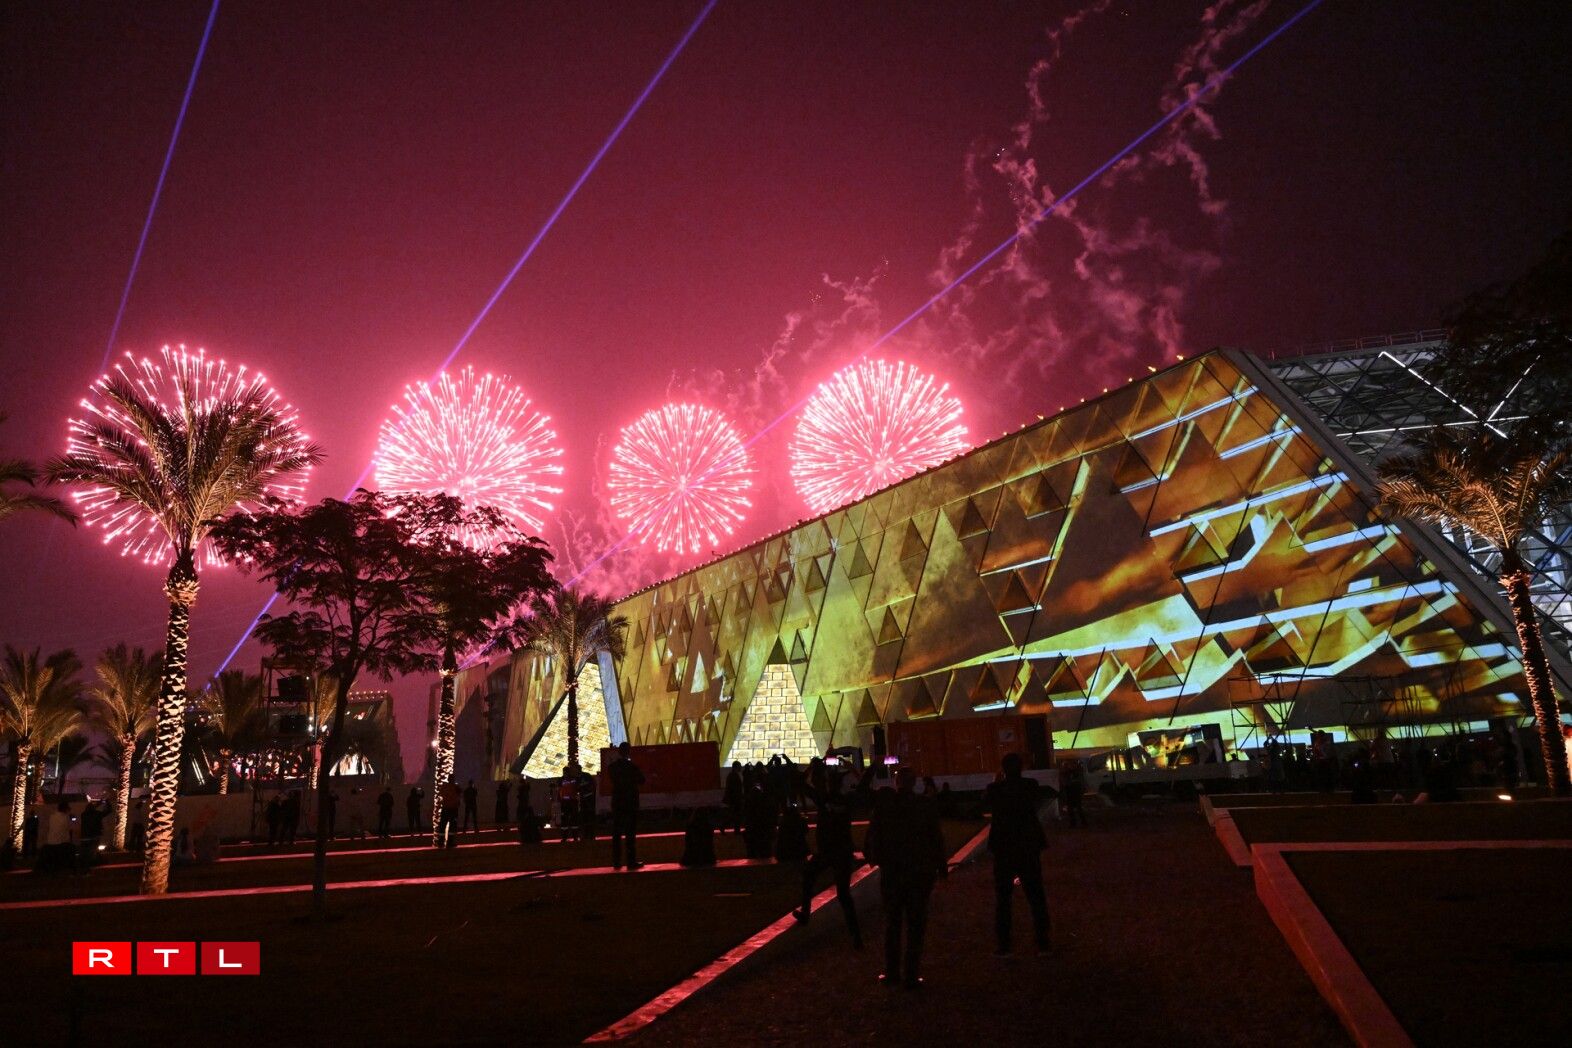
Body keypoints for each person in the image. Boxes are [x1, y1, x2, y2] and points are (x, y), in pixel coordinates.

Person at [864, 767, 946, 988]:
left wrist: (874, 856)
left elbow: (874, 833)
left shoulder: (885, 805)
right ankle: (911, 973)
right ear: (914, 782)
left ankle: (892, 972)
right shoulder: (925, 805)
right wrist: (941, 866)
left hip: (893, 870)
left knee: (893, 922)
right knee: (916, 923)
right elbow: (935, 837)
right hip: (919, 871)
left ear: (897, 781)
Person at [795, 767, 871, 948]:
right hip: (843, 852)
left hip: (826, 851)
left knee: (808, 877)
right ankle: (856, 937)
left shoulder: (823, 799)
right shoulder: (847, 800)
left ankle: (805, 912)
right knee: (844, 895)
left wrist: (811, 767)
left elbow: (801, 784)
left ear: (829, 784)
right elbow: (864, 785)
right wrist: (855, 768)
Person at [985, 753, 1051, 956]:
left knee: (1003, 899)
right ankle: (1043, 944)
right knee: (1036, 896)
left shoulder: (995, 789)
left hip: (1004, 847)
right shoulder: (1030, 785)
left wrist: (997, 782)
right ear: (1021, 767)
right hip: (1027, 845)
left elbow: (986, 803)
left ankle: (1004, 946)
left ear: (1003, 769)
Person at [607, 742, 646, 870]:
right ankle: (631, 861)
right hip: (630, 803)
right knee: (630, 834)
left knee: (616, 834)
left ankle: (616, 862)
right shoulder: (632, 767)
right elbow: (642, 780)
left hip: (618, 802)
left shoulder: (612, 767)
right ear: (629, 752)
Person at [37, 801, 74, 874]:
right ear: (65, 809)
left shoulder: (52, 816)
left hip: (51, 842)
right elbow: (70, 829)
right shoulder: (65, 817)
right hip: (61, 843)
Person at [1060, 760, 1087, 828]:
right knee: (1073, 808)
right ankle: (1077, 822)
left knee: (1076, 808)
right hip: (1072, 792)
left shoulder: (1074, 773)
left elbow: (1066, 782)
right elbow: (1065, 782)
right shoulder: (1069, 773)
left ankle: (1079, 822)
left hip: (1074, 792)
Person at [436, 779, 461, 848]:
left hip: (445, 808)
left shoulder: (444, 787)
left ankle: (440, 842)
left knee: (442, 825)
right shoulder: (455, 787)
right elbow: (459, 794)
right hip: (453, 809)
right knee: (452, 826)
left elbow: (440, 795)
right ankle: (450, 842)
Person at [558, 770, 580, 842]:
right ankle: (566, 837)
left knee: (573, 819)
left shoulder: (570, 779)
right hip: (567, 802)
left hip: (571, 802)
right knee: (566, 819)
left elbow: (576, 788)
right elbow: (560, 790)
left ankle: (574, 837)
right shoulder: (562, 780)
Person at [723, 761, 745, 834]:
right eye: (739, 766)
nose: (741, 767)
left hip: (734, 798)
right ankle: (735, 829)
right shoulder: (734, 775)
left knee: (734, 815)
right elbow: (734, 789)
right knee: (736, 815)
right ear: (736, 767)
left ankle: (725, 826)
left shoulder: (732, 775)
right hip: (735, 799)